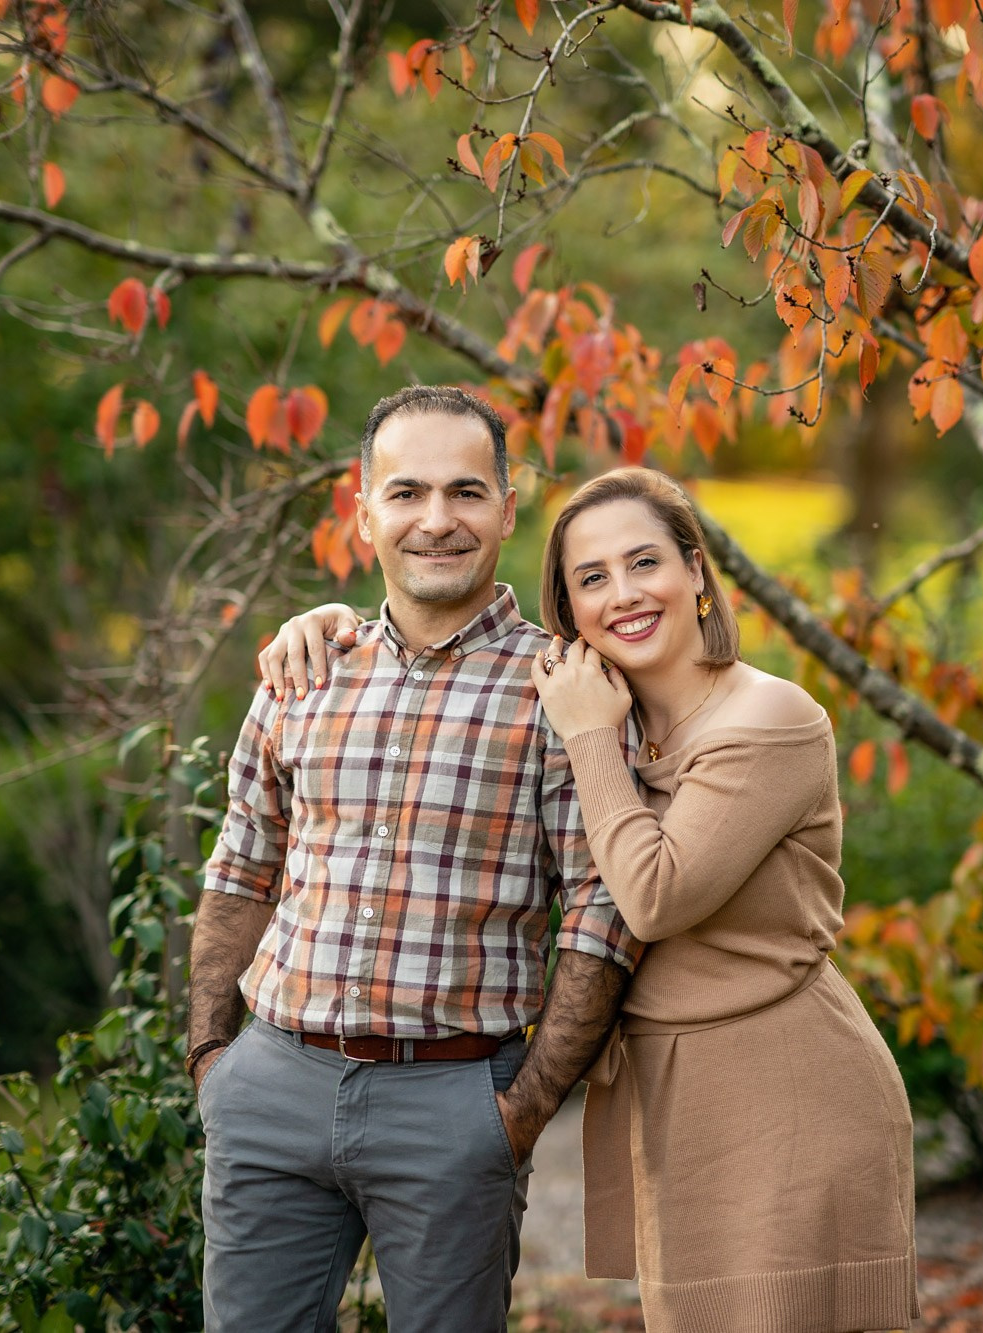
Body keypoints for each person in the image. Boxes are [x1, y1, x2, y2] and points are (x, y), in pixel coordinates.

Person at [265, 466, 919, 1332]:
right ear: (568, 614)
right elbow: (432, 651)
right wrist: (331, 624)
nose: (625, 594)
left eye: (645, 562)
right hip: (679, 1095)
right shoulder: (610, 719)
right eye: (592, 579)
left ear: (695, 569)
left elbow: (651, 895)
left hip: (785, 1087)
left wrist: (585, 736)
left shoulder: (768, 719)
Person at [187, 385, 642, 1333]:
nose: (437, 520)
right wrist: (211, 1060)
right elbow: (241, 869)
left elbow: (606, 909)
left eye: (467, 492)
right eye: (407, 493)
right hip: (271, 1083)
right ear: (364, 511)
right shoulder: (304, 671)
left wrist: (520, 1109)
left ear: (509, 510)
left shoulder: (563, 687)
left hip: (456, 1103)